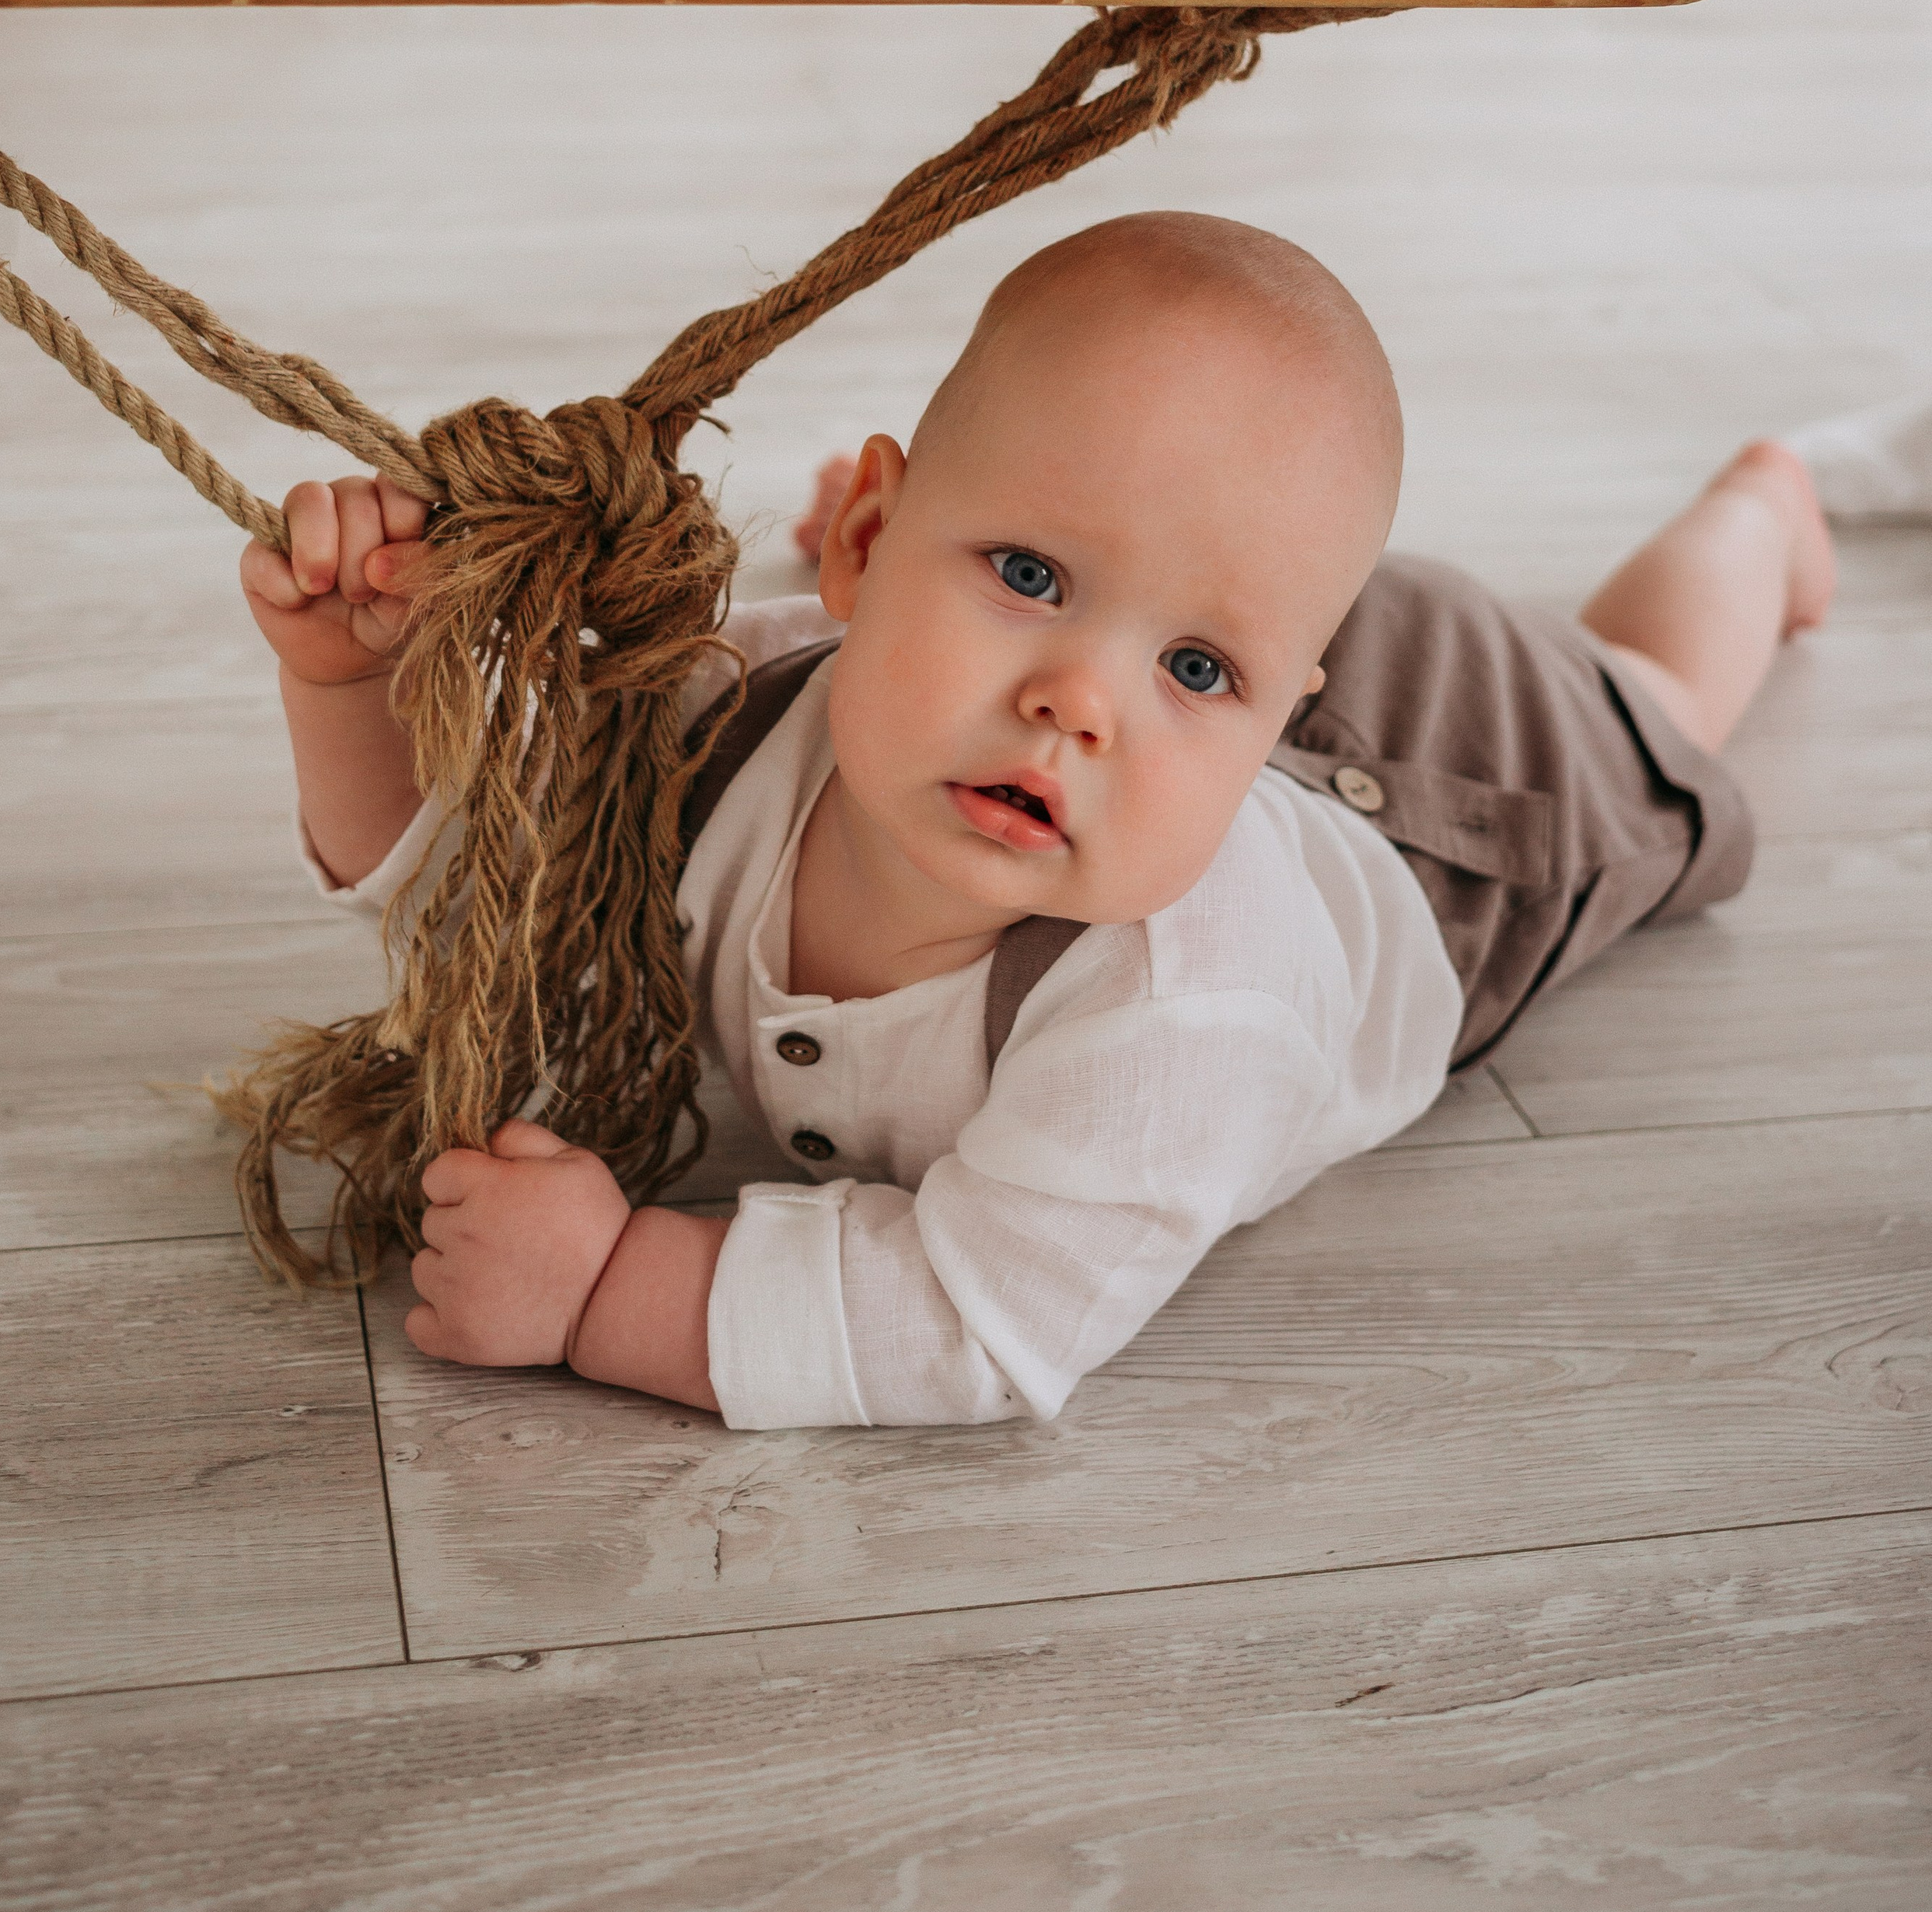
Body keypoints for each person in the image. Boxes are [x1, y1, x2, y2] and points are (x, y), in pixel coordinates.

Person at [241, 212, 1833, 1428]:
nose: (1078, 697)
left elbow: (974, 1316)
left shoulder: (1180, 1009)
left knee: (1648, 696)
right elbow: (496, 901)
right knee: (1170, 591)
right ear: (861, 541)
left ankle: (1758, 514)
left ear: (1265, 691)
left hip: (1442, 804)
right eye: (1025, 572)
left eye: (1180, 660)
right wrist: (345, 678)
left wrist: (607, 1287)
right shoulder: (722, 720)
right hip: (1247, 693)